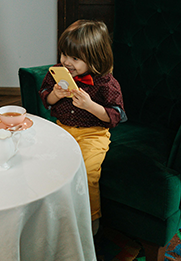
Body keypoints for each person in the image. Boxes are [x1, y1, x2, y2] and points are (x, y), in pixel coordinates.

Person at [38, 19, 126, 234]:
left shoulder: (106, 83)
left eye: (75, 58)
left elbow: (116, 116)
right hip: (61, 128)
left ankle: (91, 219)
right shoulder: (57, 72)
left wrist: (91, 106)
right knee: (45, 164)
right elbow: (45, 98)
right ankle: (49, 214)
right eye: (64, 54)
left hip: (93, 134)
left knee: (87, 172)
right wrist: (54, 96)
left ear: (94, 58)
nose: (66, 61)